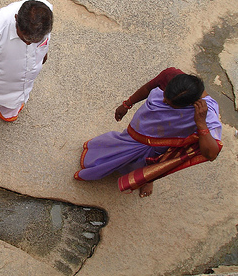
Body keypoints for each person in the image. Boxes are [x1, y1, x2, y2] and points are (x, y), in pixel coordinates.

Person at [74, 67, 223, 197]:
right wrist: (127, 104)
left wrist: (201, 124)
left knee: (154, 161)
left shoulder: (205, 114)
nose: (163, 102)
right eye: (165, 96)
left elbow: (211, 154)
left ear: (189, 104)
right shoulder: (171, 75)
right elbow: (148, 88)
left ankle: (148, 179)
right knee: (123, 146)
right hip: (139, 130)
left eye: (170, 105)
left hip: (162, 143)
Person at [0, 0, 53, 121]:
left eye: (34, 42)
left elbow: (46, 38)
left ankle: (12, 106)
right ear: (16, 19)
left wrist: (43, 51)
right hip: (0, 77)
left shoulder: (45, 11)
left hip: (26, 75)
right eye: (25, 39)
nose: (27, 43)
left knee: (20, 90)